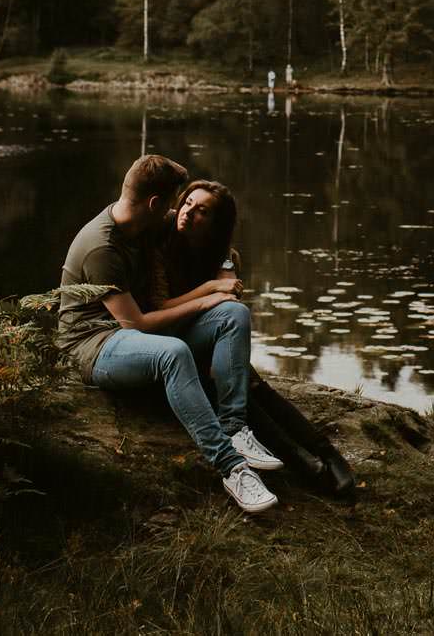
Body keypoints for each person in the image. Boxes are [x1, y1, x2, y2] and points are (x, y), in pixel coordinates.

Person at [57, 155, 284, 514]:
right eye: (177, 200)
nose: (182, 209)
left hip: (132, 337)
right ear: (156, 203)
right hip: (94, 344)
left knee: (233, 314)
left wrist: (225, 275)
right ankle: (231, 467)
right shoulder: (101, 247)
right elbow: (137, 324)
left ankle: (235, 428)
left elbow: (217, 238)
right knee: (172, 352)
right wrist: (206, 298)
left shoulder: (143, 219)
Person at [143, 177, 357, 499]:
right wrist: (211, 289)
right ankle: (303, 463)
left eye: (201, 211)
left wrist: (223, 275)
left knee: (252, 386)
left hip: (207, 340)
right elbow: (161, 307)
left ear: (216, 225)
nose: (188, 213)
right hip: (170, 340)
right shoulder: (158, 248)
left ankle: (327, 454)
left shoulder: (224, 256)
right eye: (187, 203)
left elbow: (231, 303)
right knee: (236, 388)